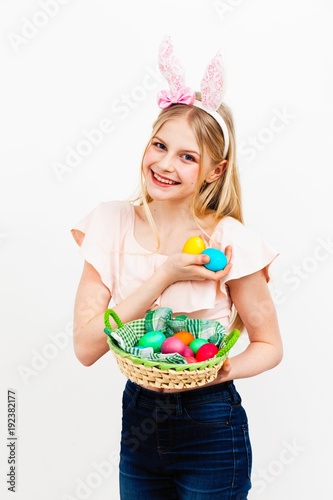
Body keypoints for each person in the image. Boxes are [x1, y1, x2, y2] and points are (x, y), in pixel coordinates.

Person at [70, 36, 283, 500]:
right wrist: (164, 275)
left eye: (187, 157)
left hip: (211, 422)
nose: (165, 164)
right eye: (159, 145)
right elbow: (86, 348)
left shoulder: (230, 242)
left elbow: (269, 345)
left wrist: (223, 368)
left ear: (214, 171)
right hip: (140, 421)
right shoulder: (109, 223)